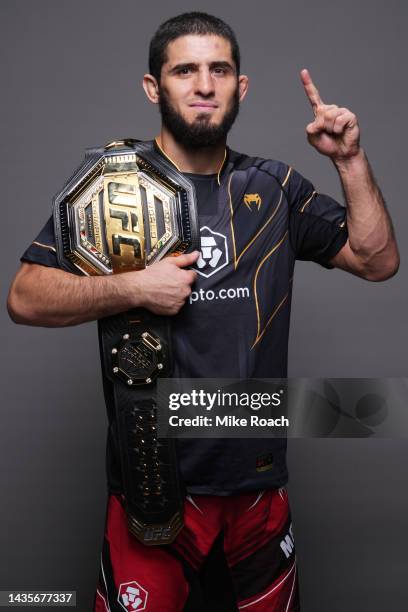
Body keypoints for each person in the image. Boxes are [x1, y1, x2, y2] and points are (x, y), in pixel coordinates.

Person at [7, 11, 399, 612]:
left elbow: (376, 261)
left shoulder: (274, 188)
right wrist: (135, 286)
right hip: (153, 492)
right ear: (153, 87)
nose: (204, 84)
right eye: (185, 70)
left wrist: (348, 161)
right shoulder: (114, 186)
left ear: (240, 88)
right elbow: (25, 297)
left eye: (219, 70)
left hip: (258, 493)